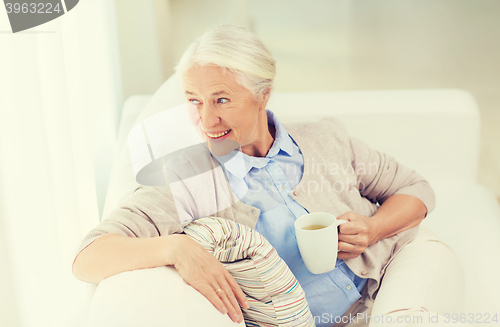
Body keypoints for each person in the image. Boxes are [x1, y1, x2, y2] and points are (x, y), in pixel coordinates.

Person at [73, 25, 447, 327]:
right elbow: (88, 256)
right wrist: (175, 247)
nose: (206, 121)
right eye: (194, 101)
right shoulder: (187, 177)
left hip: (393, 273)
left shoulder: (325, 137)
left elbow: (416, 189)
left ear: (262, 95)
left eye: (221, 100)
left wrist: (374, 228)